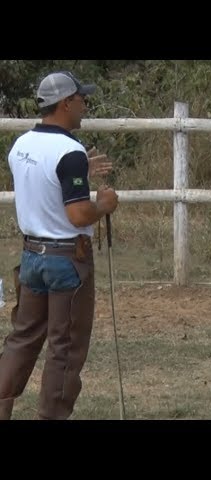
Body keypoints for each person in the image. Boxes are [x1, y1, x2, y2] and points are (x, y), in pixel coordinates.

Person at [0, 71, 119, 420]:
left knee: (22, 339)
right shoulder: (69, 152)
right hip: (68, 261)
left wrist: (80, 167)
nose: (85, 105)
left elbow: (44, 183)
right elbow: (80, 214)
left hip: (31, 257)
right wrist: (104, 204)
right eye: (82, 99)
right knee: (64, 350)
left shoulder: (21, 146)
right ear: (66, 103)